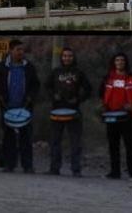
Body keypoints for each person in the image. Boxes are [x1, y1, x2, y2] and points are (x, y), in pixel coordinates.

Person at [0, 39, 40, 173]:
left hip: (25, 108)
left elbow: (35, 85)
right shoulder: (2, 67)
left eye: (22, 50)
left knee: (26, 137)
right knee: (8, 137)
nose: (20, 52)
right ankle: (9, 164)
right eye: (18, 50)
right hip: (7, 107)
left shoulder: (29, 67)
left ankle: (27, 166)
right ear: (10, 51)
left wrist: (31, 98)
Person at [45, 47, 91, 177]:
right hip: (57, 111)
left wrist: (78, 99)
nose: (67, 58)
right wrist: (53, 96)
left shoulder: (79, 72)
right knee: (55, 141)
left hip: (74, 111)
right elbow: (46, 86)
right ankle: (54, 168)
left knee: (75, 142)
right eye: (65, 56)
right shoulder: (55, 72)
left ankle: (76, 169)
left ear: (73, 57)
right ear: (61, 57)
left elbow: (88, 89)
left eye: (70, 56)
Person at [99, 52, 132, 180]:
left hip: (127, 116)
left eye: (122, 60)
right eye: (117, 60)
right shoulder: (108, 78)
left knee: (129, 145)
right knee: (113, 145)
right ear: (114, 62)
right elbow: (101, 93)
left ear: (126, 62)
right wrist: (103, 106)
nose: (120, 62)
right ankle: (115, 172)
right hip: (111, 115)